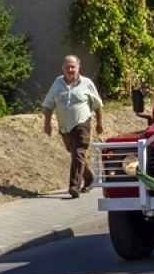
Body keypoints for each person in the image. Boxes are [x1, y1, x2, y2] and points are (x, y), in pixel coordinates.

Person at [40, 54, 105, 198]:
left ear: (78, 68)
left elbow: (98, 105)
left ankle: (74, 186)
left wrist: (100, 123)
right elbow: (49, 105)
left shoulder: (86, 83)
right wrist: (47, 124)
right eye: (67, 67)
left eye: (73, 67)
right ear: (63, 68)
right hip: (65, 127)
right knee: (75, 153)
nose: (70, 69)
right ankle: (89, 179)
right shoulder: (57, 84)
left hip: (82, 123)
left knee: (78, 152)